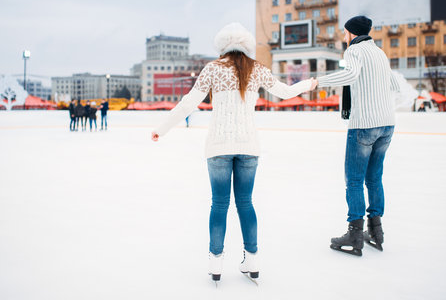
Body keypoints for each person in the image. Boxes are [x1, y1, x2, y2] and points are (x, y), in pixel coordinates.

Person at [151, 22, 317, 283]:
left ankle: (215, 262)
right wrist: (310, 83)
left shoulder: (212, 69)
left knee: (219, 204)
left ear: (222, 46)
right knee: (245, 203)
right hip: (248, 147)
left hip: (218, 146)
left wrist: (162, 128)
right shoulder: (256, 69)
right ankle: (252, 259)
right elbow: (285, 92)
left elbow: (188, 104)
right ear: (246, 45)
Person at [315, 15, 400, 256]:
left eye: (345, 32)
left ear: (352, 33)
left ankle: (355, 233)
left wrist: (318, 82)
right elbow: (394, 84)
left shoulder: (354, 51)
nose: (343, 37)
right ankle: (376, 231)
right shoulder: (380, 53)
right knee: (374, 178)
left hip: (364, 124)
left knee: (354, 180)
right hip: (387, 125)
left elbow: (351, 75)